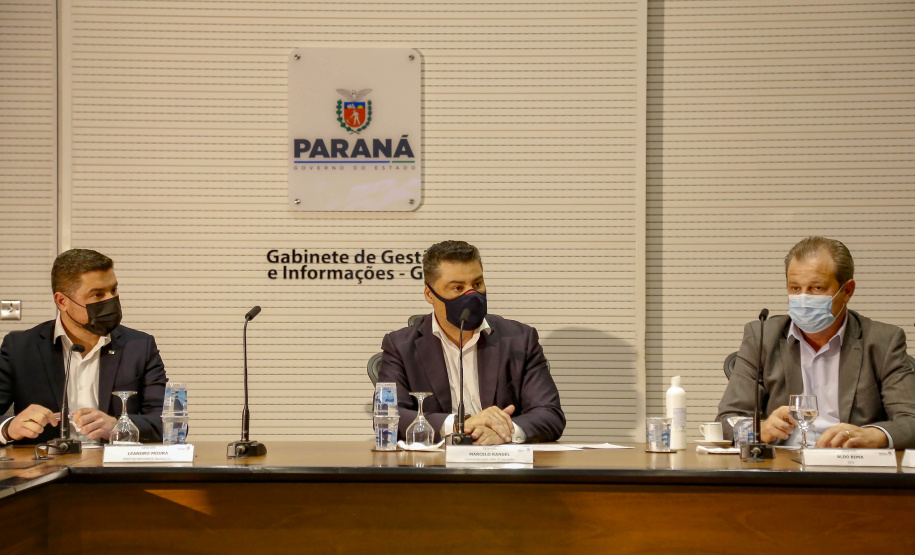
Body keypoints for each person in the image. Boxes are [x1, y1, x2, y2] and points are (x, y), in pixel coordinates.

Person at [717, 237, 915, 449]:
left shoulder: (883, 341)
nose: (803, 298)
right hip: (783, 462)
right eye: (795, 288)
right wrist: (760, 429)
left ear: (847, 291)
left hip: (849, 461)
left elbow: (910, 421)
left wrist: (875, 435)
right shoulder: (762, 337)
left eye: (817, 288)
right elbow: (726, 421)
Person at [379, 240, 565, 445]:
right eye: (457, 288)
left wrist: (505, 433)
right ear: (430, 294)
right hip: (437, 459)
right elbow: (389, 416)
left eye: (477, 284)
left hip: (502, 457)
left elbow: (550, 414)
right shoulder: (401, 346)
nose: (472, 295)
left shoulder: (519, 339)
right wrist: (460, 424)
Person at [0, 249, 167, 445]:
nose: (110, 300)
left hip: (111, 463)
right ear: (62, 301)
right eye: (97, 294)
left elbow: (166, 422)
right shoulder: (20, 348)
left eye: (113, 290)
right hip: (45, 462)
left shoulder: (139, 346)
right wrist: (8, 428)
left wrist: (117, 427)